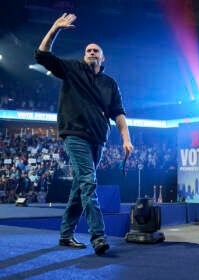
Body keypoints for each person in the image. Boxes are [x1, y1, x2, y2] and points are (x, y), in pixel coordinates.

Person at [35, 13, 133, 255]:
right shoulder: (71, 69)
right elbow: (42, 55)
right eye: (88, 50)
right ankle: (98, 236)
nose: (91, 52)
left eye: (95, 50)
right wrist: (55, 28)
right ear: (83, 55)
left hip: (98, 139)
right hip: (75, 135)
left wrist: (126, 139)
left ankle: (66, 235)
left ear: (102, 58)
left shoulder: (110, 84)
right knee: (89, 182)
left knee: (80, 187)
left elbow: (119, 113)